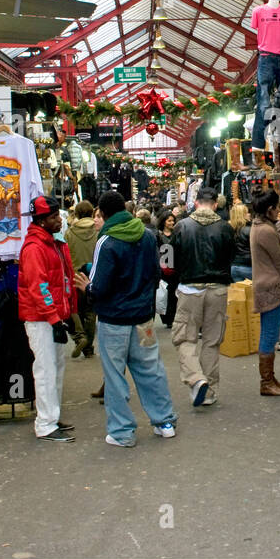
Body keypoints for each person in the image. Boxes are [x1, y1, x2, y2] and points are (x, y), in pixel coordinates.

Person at [77, 191, 178, 447]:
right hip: (143, 318)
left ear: (104, 212)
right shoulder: (146, 236)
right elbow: (156, 273)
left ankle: (122, 432)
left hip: (113, 320)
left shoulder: (107, 241)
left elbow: (99, 287)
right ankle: (165, 422)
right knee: (151, 370)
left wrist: (87, 288)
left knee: (114, 376)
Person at [17, 196, 76, 443]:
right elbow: (39, 287)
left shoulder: (50, 244)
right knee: (45, 370)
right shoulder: (36, 248)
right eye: (54, 217)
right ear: (42, 220)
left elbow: (58, 282)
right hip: (42, 319)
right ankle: (45, 422)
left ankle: (51, 416)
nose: (60, 220)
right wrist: (54, 317)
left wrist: (64, 314)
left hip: (51, 317)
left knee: (54, 369)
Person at [171, 187, 235, 407]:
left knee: (184, 338)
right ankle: (209, 390)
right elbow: (231, 258)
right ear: (215, 204)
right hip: (218, 289)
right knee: (212, 340)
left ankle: (196, 379)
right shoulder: (226, 229)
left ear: (196, 203)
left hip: (190, 288)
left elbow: (166, 261)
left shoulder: (181, 226)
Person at [249, 189, 280, 397]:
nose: (279, 210)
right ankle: (266, 382)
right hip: (270, 287)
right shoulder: (265, 231)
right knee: (269, 334)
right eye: (277, 207)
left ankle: (270, 378)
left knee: (270, 333)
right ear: (270, 209)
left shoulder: (259, 227)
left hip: (265, 285)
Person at [64, 200, 100, 359]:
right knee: (91, 312)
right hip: (93, 274)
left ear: (77, 213)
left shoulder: (70, 233)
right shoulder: (98, 231)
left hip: (75, 275)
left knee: (75, 309)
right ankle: (89, 347)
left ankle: (80, 335)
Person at [156, 208, 179, 327]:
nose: (172, 223)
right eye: (169, 221)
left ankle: (173, 317)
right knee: (165, 293)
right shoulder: (158, 235)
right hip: (163, 268)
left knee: (174, 294)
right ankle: (167, 318)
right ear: (164, 221)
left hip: (175, 268)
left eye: (173, 221)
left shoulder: (177, 233)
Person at [229, 202, 253, 282]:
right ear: (242, 215)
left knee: (238, 293)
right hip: (248, 266)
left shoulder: (228, 229)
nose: (249, 214)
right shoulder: (249, 230)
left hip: (233, 266)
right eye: (247, 213)